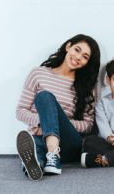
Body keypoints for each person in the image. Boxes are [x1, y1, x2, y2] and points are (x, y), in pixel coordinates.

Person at [16, 34, 100, 181]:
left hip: (69, 143)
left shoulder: (87, 86)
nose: (78, 57)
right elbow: (20, 111)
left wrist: (52, 123)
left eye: (85, 56)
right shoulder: (38, 73)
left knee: (44, 96)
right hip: (39, 134)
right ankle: (39, 162)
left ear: (87, 62)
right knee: (35, 144)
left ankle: (52, 154)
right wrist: (43, 122)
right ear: (68, 46)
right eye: (77, 50)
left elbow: (88, 125)